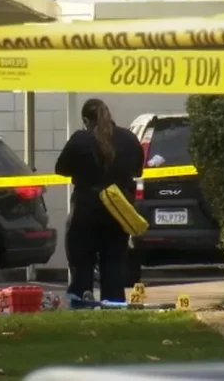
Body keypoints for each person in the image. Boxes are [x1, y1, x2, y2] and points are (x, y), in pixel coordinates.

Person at [55, 98, 144, 303]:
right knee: (113, 262)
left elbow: (61, 169)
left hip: (86, 209)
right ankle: (113, 304)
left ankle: (81, 299)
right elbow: (138, 170)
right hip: (118, 210)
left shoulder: (80, 139)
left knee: (82, 260)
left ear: (86, 120)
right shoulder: (129, 139)